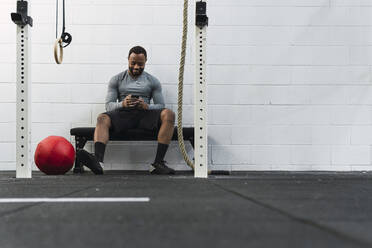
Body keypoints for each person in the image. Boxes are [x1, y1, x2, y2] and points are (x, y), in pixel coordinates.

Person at [77, 46, 176, 175]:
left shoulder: (153, 81)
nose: (136, 67)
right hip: (123, 115)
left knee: (169, 114)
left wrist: (147, 106)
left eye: (140, 64)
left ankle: (158, 163)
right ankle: (98, 161)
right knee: (102, 117)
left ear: (145, 61)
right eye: (133, 63)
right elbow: (109, 106)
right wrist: (123, 103)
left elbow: (160, 105)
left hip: (145, 115)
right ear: (128, 60)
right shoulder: (116, 79)